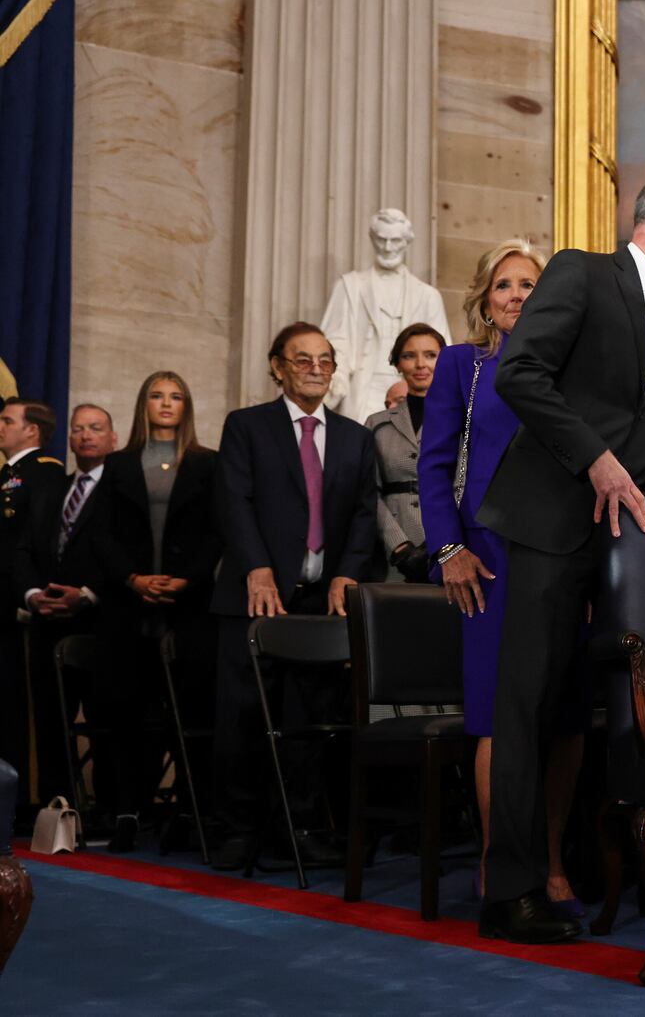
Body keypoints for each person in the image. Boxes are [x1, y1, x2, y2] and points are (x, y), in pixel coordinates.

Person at [473, 175, 645, 946]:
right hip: (550, 524)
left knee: (584, 715)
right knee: (526, 710)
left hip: (621, 556)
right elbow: (521, 374)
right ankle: (509, 891)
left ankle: (573, 872)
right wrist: (597, 460)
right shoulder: (583, 272)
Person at [209, 322, 378, 873]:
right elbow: (234, 501)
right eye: (302, 360)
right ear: (277, 367)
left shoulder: (355, 437)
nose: (315, 369)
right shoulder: (247, 426)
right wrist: (257, 569)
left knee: (309, 721)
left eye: (325, 360)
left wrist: (345, 575)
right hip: (254, 600)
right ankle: (239, 830)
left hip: (316, 606)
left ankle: (300, 828)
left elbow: (361, 515)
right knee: (243, 719)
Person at [417, 242, 545, 903]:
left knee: (566, 714)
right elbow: (434, 467)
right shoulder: (463, 366)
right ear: (484, 300)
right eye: (505, 285)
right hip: (485, 561)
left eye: (530, 283)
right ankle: (500, 863)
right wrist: (448, 549)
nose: (517, 294)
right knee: (498, 715)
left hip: (558, 557)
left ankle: (550, 867)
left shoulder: (567, 367)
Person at [97, 372, 222, 852]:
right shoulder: (119, 464)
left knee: (190, 711)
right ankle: (128, 810)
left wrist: (187, 578)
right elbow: (102, 534)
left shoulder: (206, 463)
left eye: (176, 396)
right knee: (128, 709)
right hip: (128, 606)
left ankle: (189, 813)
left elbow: (217, 531)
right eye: (156, 395)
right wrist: (132, 579)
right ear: (142, 404)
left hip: (188, 605)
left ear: (187, 406)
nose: (166, 404)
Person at [16, 405, 117, 825]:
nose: (85, 436)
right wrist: (34, 593)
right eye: (77, 429)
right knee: (51, 719)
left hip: (98, 622)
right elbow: (25, 548)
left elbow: (124, 553)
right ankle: (57, 812)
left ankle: (108, 811)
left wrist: (88, 594)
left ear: (113, 438)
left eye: (95, 428)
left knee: (104, 719)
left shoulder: (120, 489)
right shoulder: (53, 487)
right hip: (47, 622)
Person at [321, 208, 452, 425]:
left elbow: (443, 355)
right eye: (382, 240)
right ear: (372, 238)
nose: (388, 247)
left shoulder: (428, 295)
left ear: (407, 241)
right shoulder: (349, 286)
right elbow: (335, 343)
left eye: (396, 240)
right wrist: (336, 385)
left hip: (413, 385)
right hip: (364, 387)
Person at [0, 399, 65, 819]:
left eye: (8, 421)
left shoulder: (43, 472)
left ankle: (28, 799)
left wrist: (32, 593)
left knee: (22, 706)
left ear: (33, 431)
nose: (1, 428)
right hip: (6, 605)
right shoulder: (10, 475)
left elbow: (38, 540)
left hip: (23, 609)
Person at [368, 322, 445, 583]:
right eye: (409, 356)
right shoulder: (376, 423)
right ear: (398, 364)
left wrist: (445, 543)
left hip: (449, 549)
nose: (420, 364)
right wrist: (399, 547)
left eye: (431, 355)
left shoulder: (462, 419)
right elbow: (368, 491)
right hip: (393, 554)